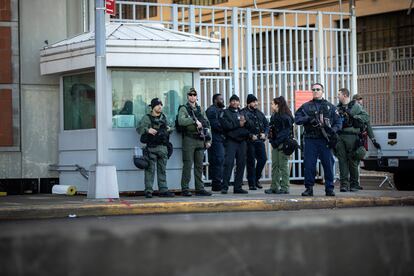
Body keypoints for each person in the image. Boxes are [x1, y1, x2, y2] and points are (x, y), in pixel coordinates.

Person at [295, 83, 342, 196]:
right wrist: (307, 119)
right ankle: (309, 188)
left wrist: (332, 131)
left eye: (318, 89)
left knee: (328, 164)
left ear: (322, 91)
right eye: (314, 89)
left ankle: (329, 188)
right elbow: (297, 119)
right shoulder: (306, 106)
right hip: (310, 139)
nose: (315, 91)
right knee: (309, 165)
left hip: (324, 140)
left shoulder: (330, 107)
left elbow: (338, 122)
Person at [137, 98, 175, 198]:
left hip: (163, 148)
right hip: (151, 148)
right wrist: (147, 129)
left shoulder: (164, 117)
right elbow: (139, 128)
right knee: (150, 171)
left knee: (162, 170)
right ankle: (149, 191)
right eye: (158, 105)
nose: (160, 107)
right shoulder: (147, 118)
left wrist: (169, 129)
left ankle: (163, 190)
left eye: (161, 105)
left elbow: (172, 127)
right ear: (153, 107)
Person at [177, 88, 212, 196]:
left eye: (194, 95)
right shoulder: (184, 108)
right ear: (187, 96)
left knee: (199, 165)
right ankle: (185, 189)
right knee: (188, 164)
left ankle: (199, 188)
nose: (192, 97)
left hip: (200, 139)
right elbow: (181, 121)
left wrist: (209, 139)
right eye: (190, 95)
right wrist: (193, 120)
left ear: (197, 96)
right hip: (189, 139)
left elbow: (207, 124)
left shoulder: (200, 109)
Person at [336, 88, 370, 192]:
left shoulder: (355, 106)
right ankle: (344, 185)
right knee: (342, 161)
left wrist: (354, 116)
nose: (338, 96)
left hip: (352, 136)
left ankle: (354, 184)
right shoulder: (337, 108)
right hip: (340, 136)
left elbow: (366, 117)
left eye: (339, 94)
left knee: (353, 161)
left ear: (345, 95)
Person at [220, 94, 250, 194]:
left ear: (239, 102)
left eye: (237, 101)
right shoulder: (225, 112)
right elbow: (226, 126)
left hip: (242, 142)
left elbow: (249, 125)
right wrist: (238, 124)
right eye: (233, 101)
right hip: (231, 141)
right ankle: (224, 187)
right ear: (230, 102)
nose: (235, 102)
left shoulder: (243, 112)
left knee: (241, 164)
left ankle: (238, 187)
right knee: (228, 163)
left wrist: (245, 122)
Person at [265, 96, 294, 194]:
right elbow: (271, 128)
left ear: (277, 105)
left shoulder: (286, 117)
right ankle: (274, 187)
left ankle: (285, 187)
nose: (271, 105)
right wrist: (271, 139)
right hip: (276, 143)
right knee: (275, 165)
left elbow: (286, 132)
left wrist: (276, 142)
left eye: (272, 104)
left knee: (283, 166)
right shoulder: (275, 115)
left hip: (283, 144)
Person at [242, 94, 269, 190]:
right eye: (253, 102)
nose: (256, 103)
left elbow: (267, 125)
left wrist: (265, 134)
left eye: (256, 101)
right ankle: (252, 183)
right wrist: (250, 135)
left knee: (263, 159)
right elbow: (241, 128)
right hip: (249, 141)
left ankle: (256, 178)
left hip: (259, 140)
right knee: (251, 162)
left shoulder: (259, 113)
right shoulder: (243, 112)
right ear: (249, 103)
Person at [206, 93, 225, 192]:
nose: (222, 100)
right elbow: (216, 125)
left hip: (221, 139)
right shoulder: (211, 111)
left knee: (220, 161)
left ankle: (218, 183)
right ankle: (216, 184)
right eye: (220, 99)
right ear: (215, 100)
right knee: (217, 161)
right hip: (215, 139)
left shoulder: (221, 110)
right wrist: (226, 127)